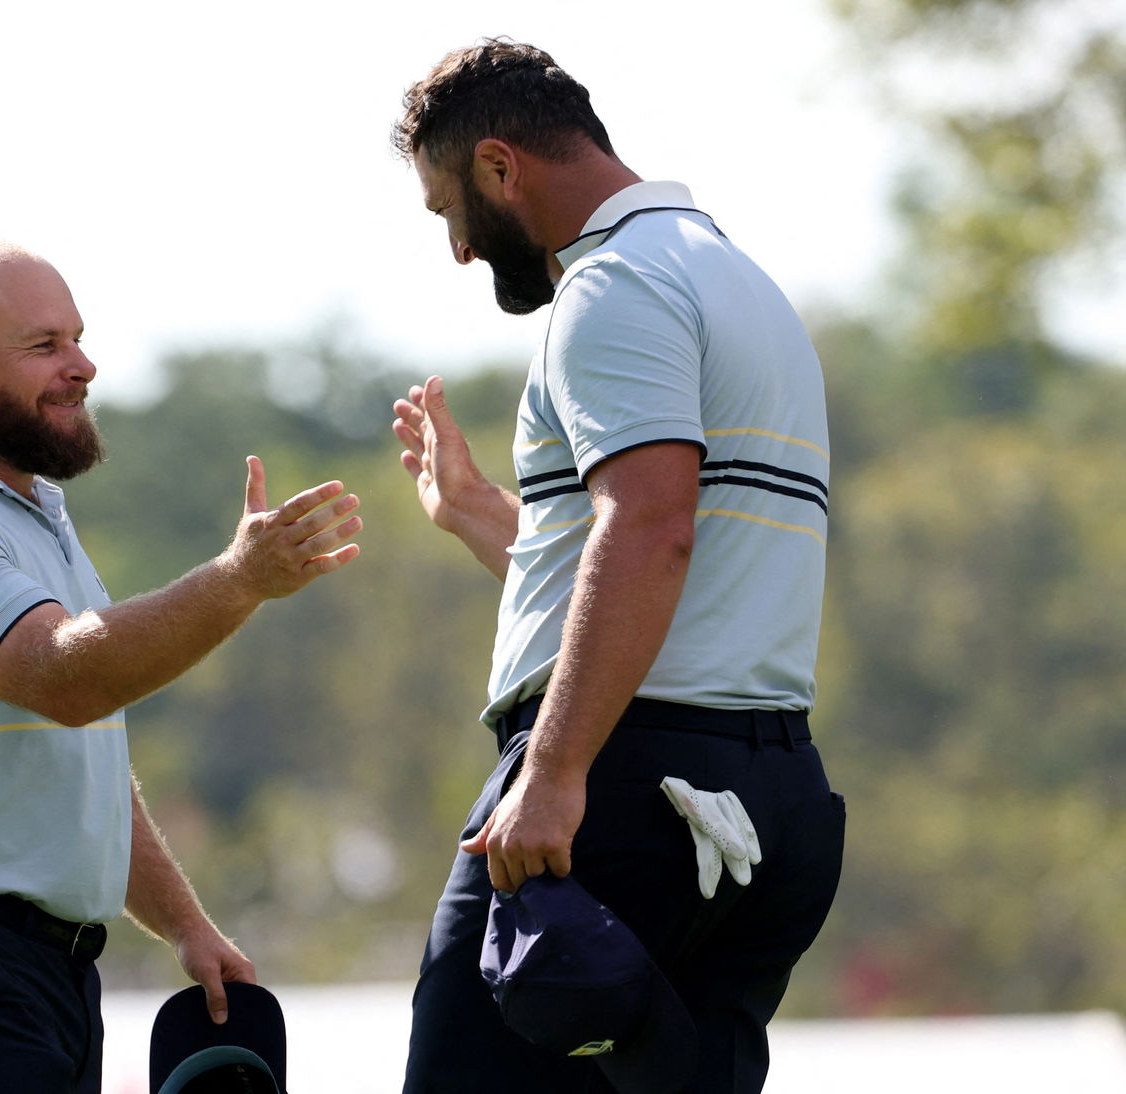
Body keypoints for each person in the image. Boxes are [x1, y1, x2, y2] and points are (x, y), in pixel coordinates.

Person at [388, 40, 845, 1094]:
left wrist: (548, 776)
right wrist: (479, 518)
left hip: (628, 792)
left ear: (500, 168)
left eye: (445, 207)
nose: (458, 246)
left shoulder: (612, 285)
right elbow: (657, 567)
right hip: (767, 802)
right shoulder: (738, 280)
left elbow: (647, 530)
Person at [0, 240, 362, 1094]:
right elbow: (71, 682)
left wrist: (184, 925)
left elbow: (79, 764)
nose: (83, 366)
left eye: (77, 338)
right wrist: (239, 579)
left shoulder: (30, 517)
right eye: (44, 346)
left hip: (37, 969)